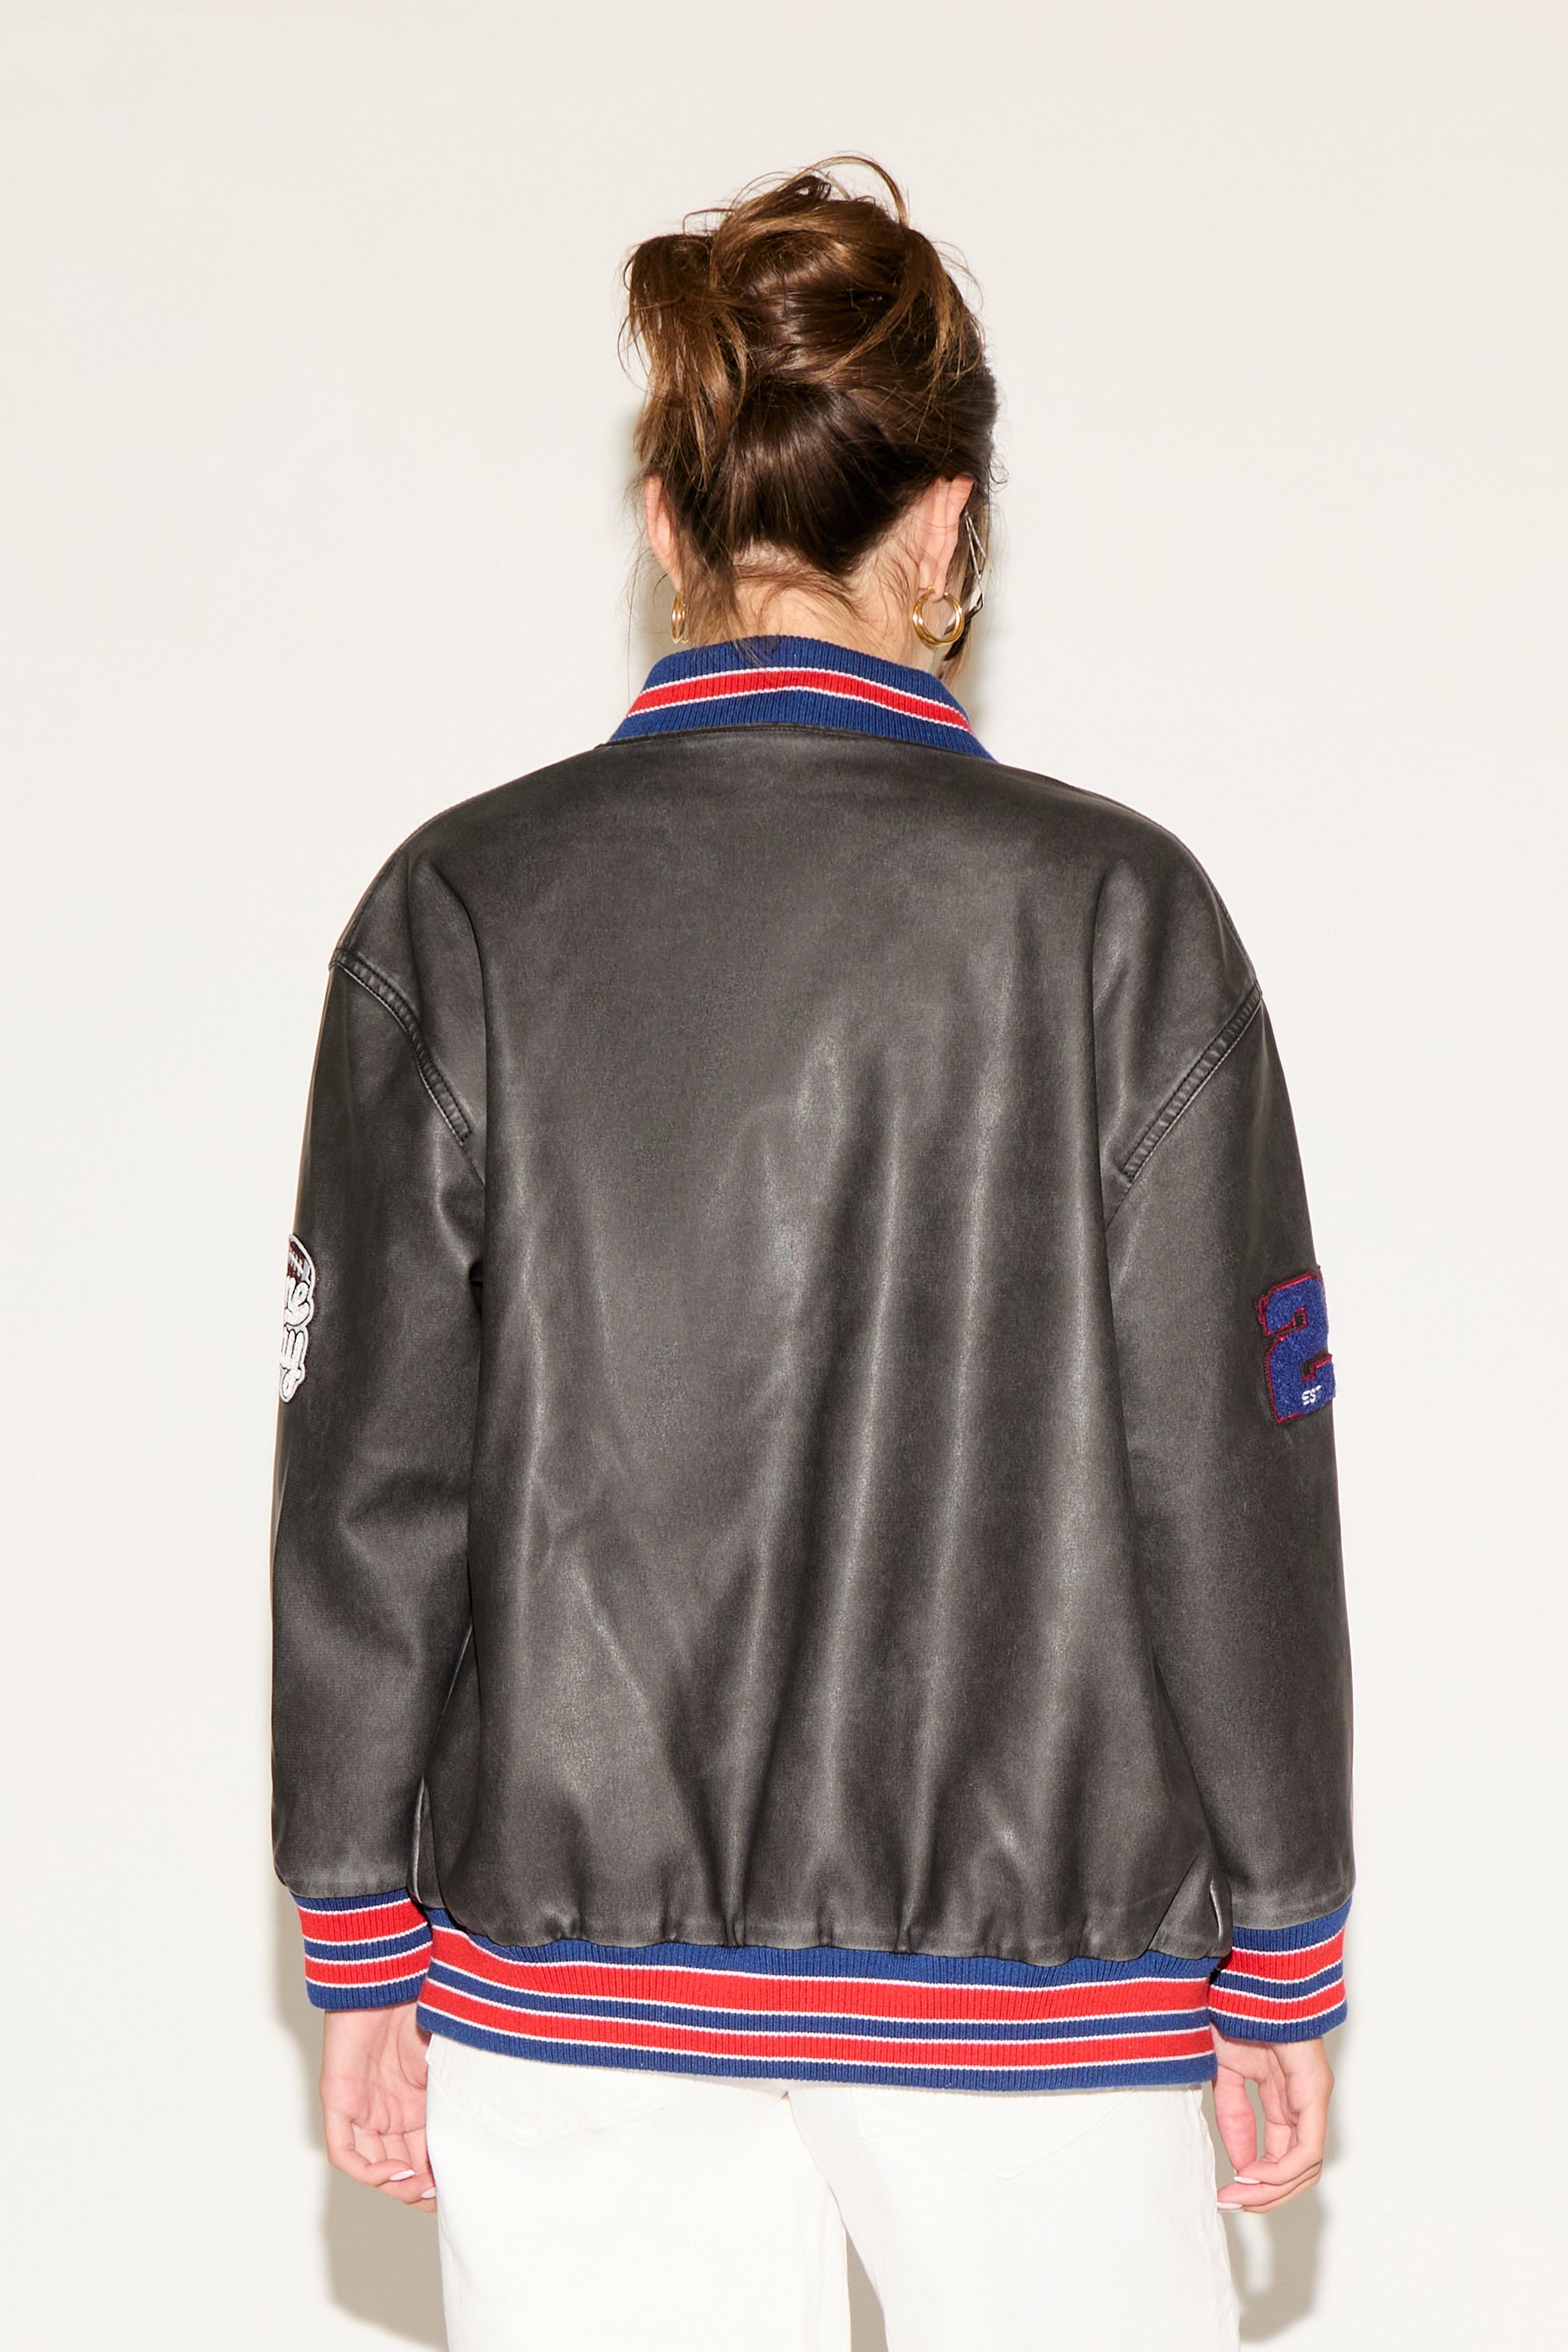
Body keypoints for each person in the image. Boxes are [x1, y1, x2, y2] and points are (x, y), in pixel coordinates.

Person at [271, 160, 1353, 2352]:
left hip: (573, 1988)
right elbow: (1228, 1475)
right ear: (947, 524)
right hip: (1039, 1993)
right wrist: (1284, 1931)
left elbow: (372, 1476)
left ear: (669, 519)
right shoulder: (1121, 923)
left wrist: (359, 1922)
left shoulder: (461, 912)